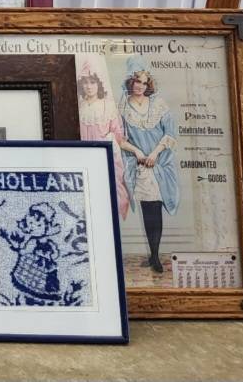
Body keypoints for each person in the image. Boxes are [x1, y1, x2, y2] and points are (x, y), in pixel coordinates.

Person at [118, 56, 179, 274]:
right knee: (148, 211)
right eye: (137, 81)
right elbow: (119, 139)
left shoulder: (159, 104)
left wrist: (154, 153)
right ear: (130, 82)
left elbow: (170, 134)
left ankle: (155, 256)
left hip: (159, 164)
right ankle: (153, 254)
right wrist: (137, 152)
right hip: (140, 167)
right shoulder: (122, 107)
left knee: (156, 211)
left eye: (144, 83)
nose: (140, 86)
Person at [76, 56, 129, 220]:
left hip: (105, 157)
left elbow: (118, 135)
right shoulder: (79, 107)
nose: (89, 86)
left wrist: (108, 140)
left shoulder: (107, 106)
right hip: (83, 157)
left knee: (108, 193)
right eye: (85, 82)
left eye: (92, 82)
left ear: (99, 84)